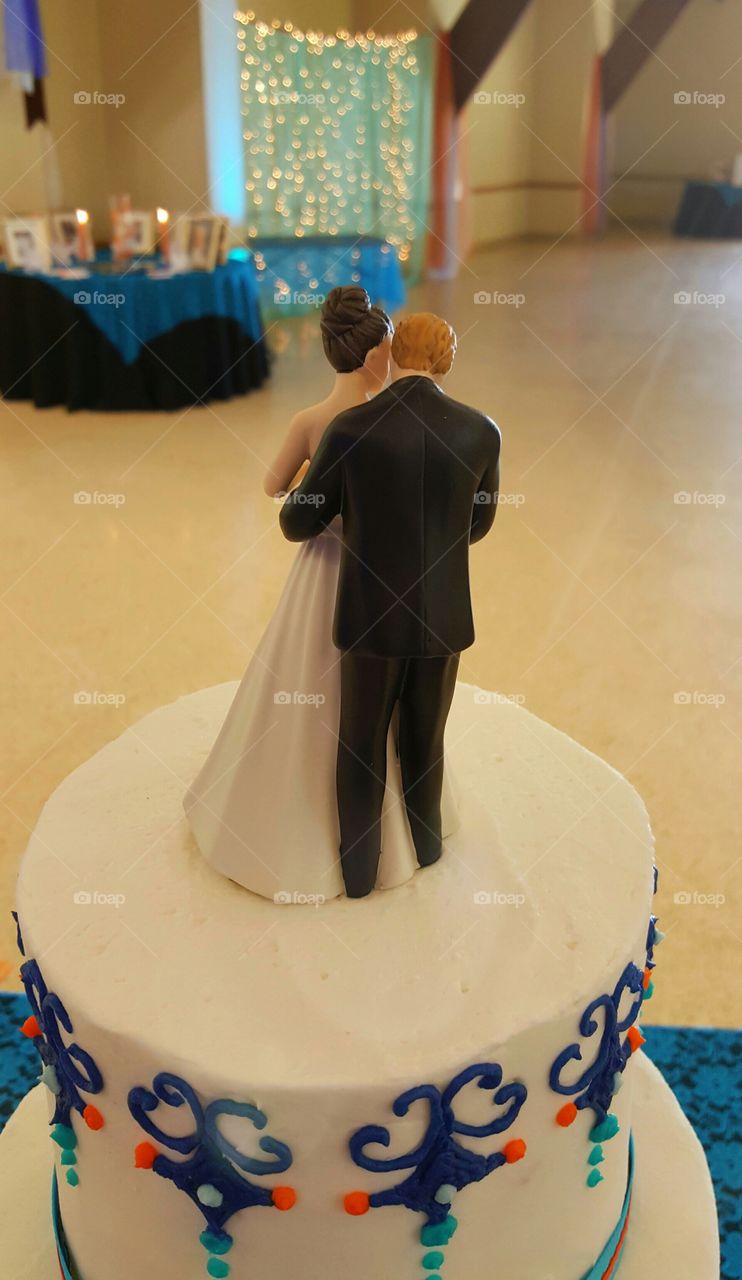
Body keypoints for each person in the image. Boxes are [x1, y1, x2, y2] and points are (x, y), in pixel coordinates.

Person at [184, 289, 458, 902]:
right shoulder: (396, 418)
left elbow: (273, 486)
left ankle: (340, 838)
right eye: (388, 349)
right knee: (392, 713)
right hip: (395, 576)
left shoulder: (313, 421)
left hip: (331, 566)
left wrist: (320, 494)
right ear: (373, 356)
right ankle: (405, 832)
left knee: (331, 694)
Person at [281, 312, 501, 898]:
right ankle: (426, 852)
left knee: (360, 743)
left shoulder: (352, 429)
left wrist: (320, 487)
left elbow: (298, 521)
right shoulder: (481, 430)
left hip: (370, 616)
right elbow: (478, 524)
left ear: (391, 349)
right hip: (444, 617)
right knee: (426, 737)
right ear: (446, 357)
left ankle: (358, 873)